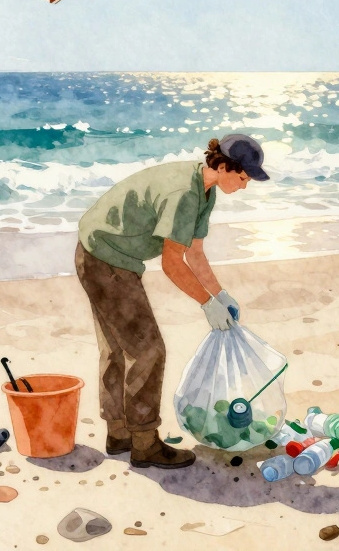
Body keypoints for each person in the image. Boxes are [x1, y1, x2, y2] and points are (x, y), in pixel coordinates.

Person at [75, 134, 269, 469]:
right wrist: (206, 304)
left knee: (119, 348)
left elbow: (194, 251)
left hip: (107, 252)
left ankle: (120, 433)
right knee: (147, 350)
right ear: (222, 166)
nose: (245, 185)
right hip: (104, 257)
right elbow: (171, 263)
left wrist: (218, 294)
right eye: (242, 177)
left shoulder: (204, 191)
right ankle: (144, 444)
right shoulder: (183, 193)